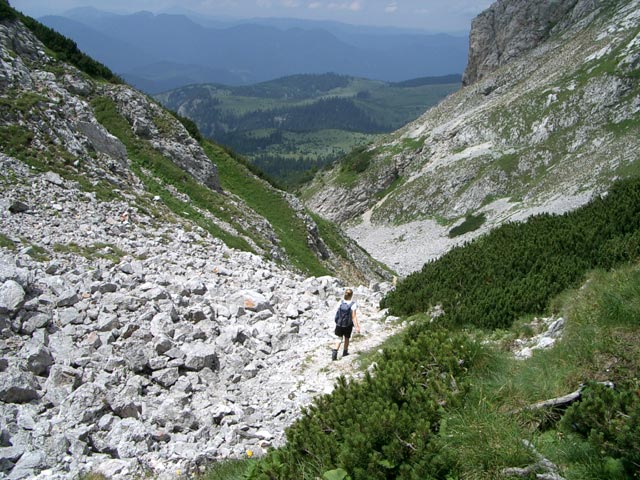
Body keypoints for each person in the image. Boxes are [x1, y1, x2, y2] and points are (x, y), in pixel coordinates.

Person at [332, 288, 360, 360]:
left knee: (339, 338)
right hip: (348, 324)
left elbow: (337, 312)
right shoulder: (353, 304)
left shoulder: (341, 302)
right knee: (347, 338)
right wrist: (357, 327)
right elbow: (354, 316)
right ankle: (345, 352)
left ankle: (335, 352)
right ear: (351, 295)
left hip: (339, 324)